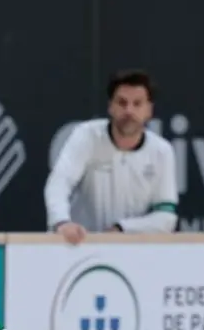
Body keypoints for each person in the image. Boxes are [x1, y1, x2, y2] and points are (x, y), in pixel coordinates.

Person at [45, 69, 178, 244]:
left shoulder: (162, 151)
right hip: (80, 245)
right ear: (110, 107)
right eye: (122, 103)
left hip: (137, 249)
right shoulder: (86, 136)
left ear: (149, 111)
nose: (129, 111)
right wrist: (62, 221)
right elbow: (59, 182)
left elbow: (166, 216)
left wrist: (122, 229)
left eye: (137, 104)